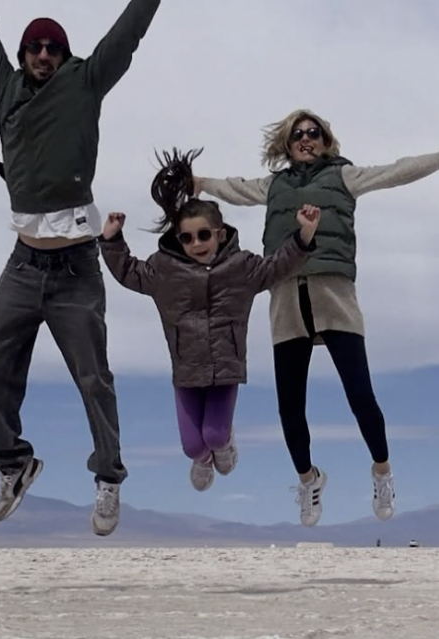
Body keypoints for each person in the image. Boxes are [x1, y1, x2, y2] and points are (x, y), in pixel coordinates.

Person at [193, 109, 439, 526]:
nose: (305, 139)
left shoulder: (343, 176)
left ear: (325, 139)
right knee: (289, 407)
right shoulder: (274, 185)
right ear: (287, 143)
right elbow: (235, 189)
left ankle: (382, 471)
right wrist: (199, 183)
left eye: (312, 133)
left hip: (334, 294)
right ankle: (308, 480)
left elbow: (397, 171)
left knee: (360, 397)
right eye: (297, 134)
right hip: (286, 298)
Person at [0, 0, 161, 537]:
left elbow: (129, 33)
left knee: (93, 378)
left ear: (64, 54)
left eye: (53, 47)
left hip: (75, 267)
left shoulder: (87, 82)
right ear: (24, 53)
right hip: (23, 265)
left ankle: (109, 479)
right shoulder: (5, 88)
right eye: (35, 47)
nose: (44, 55)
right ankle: (13, 465)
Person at [98, 148, 320, 491]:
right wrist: (112, 239)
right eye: (187, 237)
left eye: (203, 235)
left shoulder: (242, 267)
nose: (196, 243)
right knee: (193, 446)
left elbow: (279, 266)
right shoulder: (164, 269)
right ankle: (202, 460)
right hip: (186, 370)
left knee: (215, 436)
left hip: (224, 369)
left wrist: (303, 235)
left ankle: (225, 443)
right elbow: (129, 272)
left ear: (219, 233)